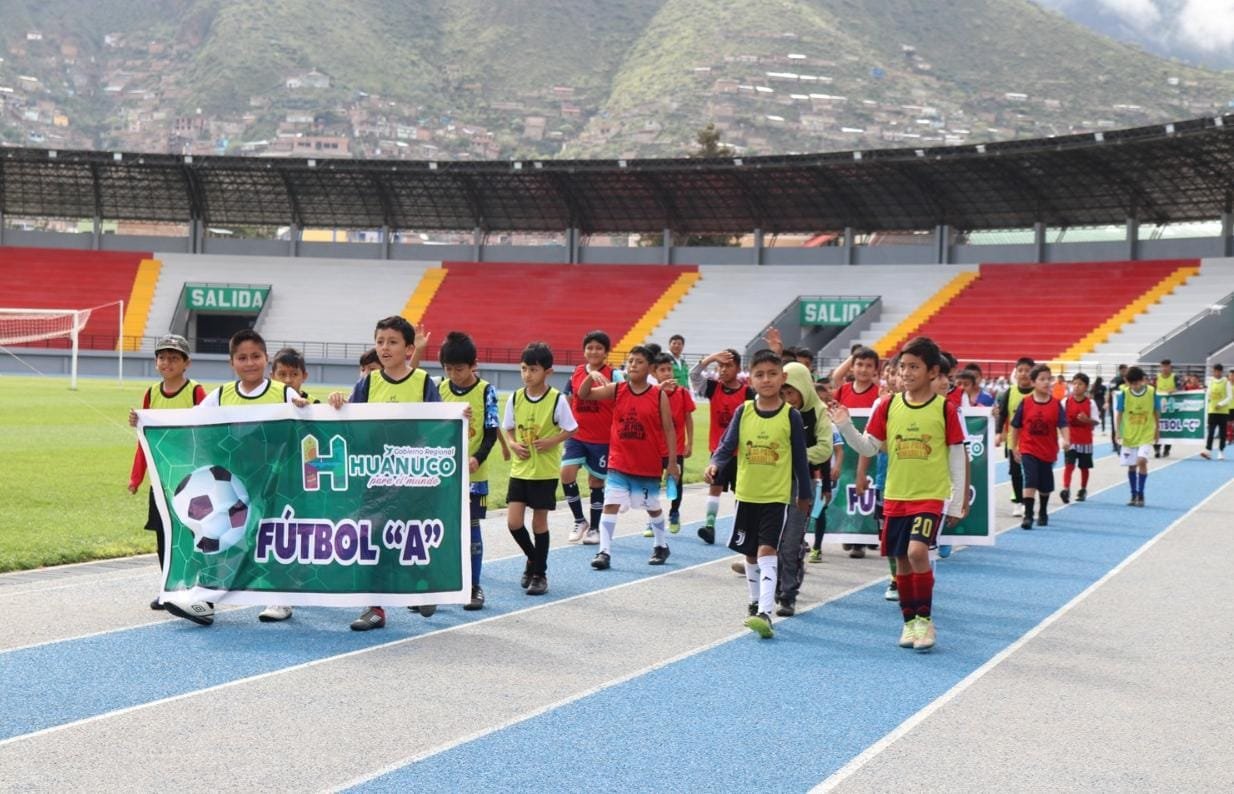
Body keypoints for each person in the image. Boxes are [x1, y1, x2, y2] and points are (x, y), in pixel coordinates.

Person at [830, 336, 968, 653]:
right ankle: (909, 622)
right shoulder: (888, 406)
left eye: (914, 367)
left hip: (929, 496)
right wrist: (846, 426)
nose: (906, 373)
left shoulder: (944, 409)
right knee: (901, 559)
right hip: (896, 497)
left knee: (918, 552)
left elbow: (957, 457)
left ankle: (926, 619)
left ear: (933, 371)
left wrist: (957, 500)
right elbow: (868, 447)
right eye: (903, 366)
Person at [163, 329, 307, 628]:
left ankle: (279, 597)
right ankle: (207, 598)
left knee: (272, 537)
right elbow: (191, 423)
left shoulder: (284, 393)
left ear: (267, 359)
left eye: (256, 356)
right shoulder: (221, 395)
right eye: (242, 357)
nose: (250, 363)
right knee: (221, 536)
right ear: (232, 363)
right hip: (233, 485)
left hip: (276, 482)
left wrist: (308, 409)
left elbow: (307, 425)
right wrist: (147, 422)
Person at [324, 316, 445, 629]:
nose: (384, 347)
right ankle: (375, 607)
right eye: (380, 341)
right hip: (376, 475)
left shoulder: (423, 382)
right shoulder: (367, 383)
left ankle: (422, 581)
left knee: (410, 536)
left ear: (408, 348)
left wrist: (458, 416)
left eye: (392, 342)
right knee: (372, 538)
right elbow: (351, 423)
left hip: (415, 478)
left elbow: (440, 426)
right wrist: (338, 403)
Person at [705, 350, 812, 638]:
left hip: (776, 498)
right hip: (747, 494)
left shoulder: (791, 416)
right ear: (750, 380)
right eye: (760, 375)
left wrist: (805, 494)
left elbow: (801, 461)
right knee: (750, 553)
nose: (766, 380)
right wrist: (714, 464)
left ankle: (766, 611)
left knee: (767, 550)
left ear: (783, 377)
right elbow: (727, 446)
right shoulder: (744, 411)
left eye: (772, 374)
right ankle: (754, 603)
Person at [127, 334, 208, 610]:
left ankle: (200, 588)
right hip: (161, 480)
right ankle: (169, 588)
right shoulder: (151, 393)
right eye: (162, 357)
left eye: (174, 358)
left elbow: (209, 428)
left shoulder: (195, 391)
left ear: (187, 363)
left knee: (192, 533)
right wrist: (136, 476)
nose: (167, 362)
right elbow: (145, 439)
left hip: (191, 479)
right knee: (164, 534)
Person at [580, 346, 678, 570]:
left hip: (647, 464)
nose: (633, 365)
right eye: (631, 360)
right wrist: (590, 377)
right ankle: (604, 551)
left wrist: (672, 463)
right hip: (619, 462)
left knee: (652, 507)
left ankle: (661, 545)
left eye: (639, 362)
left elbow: (669, 430)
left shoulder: (658, 395)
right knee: (610, 504)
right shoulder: (617, 389)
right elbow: (585, 395)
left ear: (650, 368)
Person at [503, 342, 577, 595]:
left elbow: (571, 428)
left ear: (548, 372)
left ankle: (539, 575)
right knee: (513, 522)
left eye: (533, 370)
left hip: (544, 471)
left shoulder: (557, 399)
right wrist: (512, 444)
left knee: (538, 523)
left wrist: (551, 441)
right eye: (523, 369)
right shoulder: (515, 397)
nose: (527, 375)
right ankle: (534, 559)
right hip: (520, 469)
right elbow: (509, 427)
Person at [437, 331, 499, 610]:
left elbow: (491, 432)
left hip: (473, 476)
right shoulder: (438, 388)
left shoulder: (486, 391)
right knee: (439, 530)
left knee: (471, 531)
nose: (453, 375)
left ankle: (474, 587)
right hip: (441, 474)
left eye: (459, 369)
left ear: (473, 364)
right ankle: (435, 587)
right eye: (448, 369)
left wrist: (477, 457)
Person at [774, 361, 833, 616]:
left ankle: (788, 594)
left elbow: (825, 449)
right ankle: (771, 589)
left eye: (792, 392)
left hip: (802, 483)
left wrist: (794, 456)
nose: (788, 398)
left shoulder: (817, 411)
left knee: (791, 542)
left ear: (803, 388)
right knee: (771, 540)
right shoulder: (774, 409)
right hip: (771, 482)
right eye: (783, 393)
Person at [690, 348, 754, 544]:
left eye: (728, 366)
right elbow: (693, 375)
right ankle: (710, 527)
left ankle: (741, 529)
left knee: (741, 492)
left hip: (742, 452)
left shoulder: (747, 393)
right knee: (715, 487)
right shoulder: (713, 388)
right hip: (718, 452)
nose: (723, 370)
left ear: (738, 368)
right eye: (720, 366)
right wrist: (710, 358)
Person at [561, 330, 615, 545]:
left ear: (606, 353)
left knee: (595, 481)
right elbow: (567, 398)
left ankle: (594, 528)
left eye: (598, 348)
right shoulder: (575, 372)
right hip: (577, 435)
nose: (593, 351)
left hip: (602, 438)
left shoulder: (614, 374)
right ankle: (579, 520)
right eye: (590, 347)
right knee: (566, 474)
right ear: (584, 350)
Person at [1009, 364, 1070, 530]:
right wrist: (1015, 447)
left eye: (1048, 379)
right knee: (1031, 480)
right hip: (1028, 448)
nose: (1046, 382)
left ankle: (1043, 511)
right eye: (1041, 379)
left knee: (1045, 485)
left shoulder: (1056, 404)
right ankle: (1028, 515)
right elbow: (1015, 426)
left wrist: (1066, 439)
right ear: (1034, 382)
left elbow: (1063, 424)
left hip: (1048, 450)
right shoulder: (1026, 403)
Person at [652, 353, 695, 533]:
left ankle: (674, 512)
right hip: (654, 449)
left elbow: (688, 418)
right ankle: (652, 517)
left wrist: (689, 443)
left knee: (675, 482)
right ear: (654, 373)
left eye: (669, 369)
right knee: (652, 484)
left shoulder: (682, 393)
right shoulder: (651, 393)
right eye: (662, 370)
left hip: (675, 448)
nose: (667, 373)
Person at [1112, 366, 1159, 506]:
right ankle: (1133, 495)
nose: (1135, 386)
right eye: (1132, 384)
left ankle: (1141, 494)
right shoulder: (1124, 394)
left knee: (1141, 461)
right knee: (1131, 466)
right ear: (1127, 382)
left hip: (1146, 432)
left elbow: (1156, 411)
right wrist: (1118, 432)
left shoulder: (1151, 392)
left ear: (1143, 380)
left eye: (1137, 383)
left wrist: (1158, 429)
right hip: (1129, 434)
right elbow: (1119, 414)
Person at [995, 357, 1035, 517]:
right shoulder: (1009, 392)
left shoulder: (1037, 392)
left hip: (1033, 441)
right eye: (1020, 370)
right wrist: (998, 433)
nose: (1024, 374)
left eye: (1027, 370)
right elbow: (1002, 414)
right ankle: (1019, 502)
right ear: (1016, 373)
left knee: (1031, 473)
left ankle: (1028, 501)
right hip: (1014, 441)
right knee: (1016, 472)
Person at [1060, 373, 1097, 504]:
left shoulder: (1090, 403)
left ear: (1086, 387)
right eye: (1074, 383)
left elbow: (1096, 422)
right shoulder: (1065, 402)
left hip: (1085, 440)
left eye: (1080, 384)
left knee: (1084, 467)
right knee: (1069, 465)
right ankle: (1066, 489)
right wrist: (1063, 438)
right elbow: (1060, 421)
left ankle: (1082, 489)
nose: (1076, 386)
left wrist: (1087, 420)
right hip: (1070, 439)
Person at [1200, 363, 1231, 460]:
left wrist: (1220, 404)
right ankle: (1208, 450)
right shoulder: (1211, 381)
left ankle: (1221, 452)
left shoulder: (1226, 382)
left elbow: (1230, 397)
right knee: (1211, 432)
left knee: (1222, 433)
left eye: (1217, 371)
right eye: (1214, 371)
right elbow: (1209, 394)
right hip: (1212, 410)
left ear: (1220, 372)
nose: (1215, 373)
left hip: (1222, 411)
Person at [1154, 359, 1177, 458]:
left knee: (1169, 427)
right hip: (1158, 406)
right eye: (1162, 366)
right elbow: (1151, 388)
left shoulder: (1174, 377)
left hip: (1171, 407)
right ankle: (1157, 448)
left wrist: (1174, 389)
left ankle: (1167, 449)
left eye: (1166, 366)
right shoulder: (1157, 377)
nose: (1164, 368)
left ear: (1170, 367)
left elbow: (1181, 387)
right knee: (1156, 426)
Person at [1107, 364, 1129, 455]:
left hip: (1127, 406)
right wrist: (1107, 402)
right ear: (1121, 370)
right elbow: (1110, 392)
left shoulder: (1130, 380)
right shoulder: (1115, 380)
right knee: (1115, 425)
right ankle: (1115, 444)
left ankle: (1124, 444)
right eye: (1124, 370)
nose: (1126, 372)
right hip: (1115, 406)